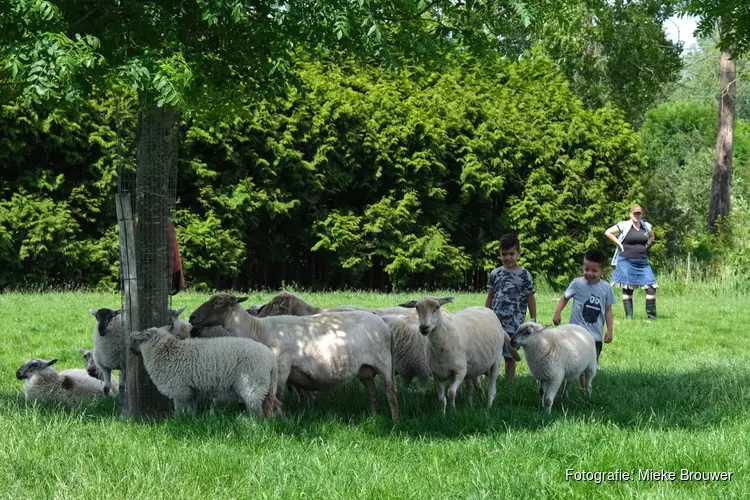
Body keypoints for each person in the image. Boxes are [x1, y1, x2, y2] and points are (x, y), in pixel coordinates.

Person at [485, 233, 537, 382]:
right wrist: (485, 314)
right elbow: (490, 296)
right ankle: (488, 382)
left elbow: (530, 298)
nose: (507, 258)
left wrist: (533, 318)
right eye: (504, 254)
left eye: (511, 254)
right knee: (490, 354)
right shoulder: (495, 274)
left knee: (510, 355)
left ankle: (510, 383)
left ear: (518, 253)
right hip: (495, 321)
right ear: (499, 254)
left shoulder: (525, 275)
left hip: (514, 323)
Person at [552, 249, 615, 362]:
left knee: (590, 365)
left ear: (602, 271)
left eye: (594, 270)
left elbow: (608, 310)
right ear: (583, 267)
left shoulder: (606, 288)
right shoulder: (577, 284)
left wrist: (610, 330)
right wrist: (557, 313)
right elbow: (564, 298)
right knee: (571, 361)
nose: (589, 273)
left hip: (594, 337)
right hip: (574, 333)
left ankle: (587, 380)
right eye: (586, 269)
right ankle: (569, 379)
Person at [604, 204, 658, 320]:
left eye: (639, 213)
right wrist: (619, 243)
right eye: (635, 213)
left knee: (651, 288)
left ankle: (652, 317)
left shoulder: (646, 226)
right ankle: (629, 318)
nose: (637, 216)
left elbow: (652, 236)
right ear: (630, 214)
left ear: (641, 214)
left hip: (643, 261)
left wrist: (647, 244)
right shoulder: (624, 225)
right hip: (626, 260)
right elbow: (608, 232)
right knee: (628, 288)